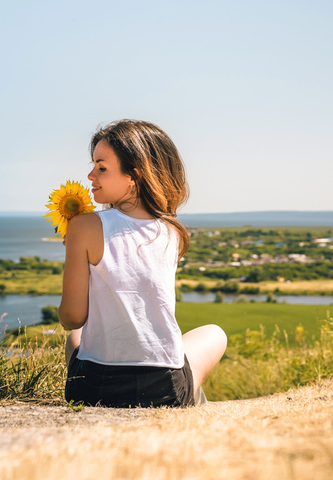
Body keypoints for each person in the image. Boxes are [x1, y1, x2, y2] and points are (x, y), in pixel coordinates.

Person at [58, 119, 227, 407]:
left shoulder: (84, 226)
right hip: (164, 389)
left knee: (76, 334)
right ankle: (195, 405)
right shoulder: (172, 230)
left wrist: (75, 253)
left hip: (93, 389)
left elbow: (72, 318)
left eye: (101, 167)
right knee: (215, 333)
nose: (90, 175)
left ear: (134, 176)